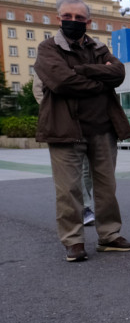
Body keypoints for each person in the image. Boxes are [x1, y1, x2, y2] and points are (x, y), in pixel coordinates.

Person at [34, 0, 130, 262]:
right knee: (69, 189)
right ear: (58, 18)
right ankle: (74, 241)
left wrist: (80, 70)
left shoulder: (99, 47)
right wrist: (98, 77)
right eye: (67, 17)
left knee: (106, 186)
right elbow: (61, 82)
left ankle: (110, 235)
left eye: (79, 18)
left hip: (103, 127)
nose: (73, 21)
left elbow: (119, 73)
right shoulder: (47, 49)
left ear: (88, 21)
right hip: (64, 129)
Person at [33, 74, 95, 225]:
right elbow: (37, 89)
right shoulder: (48, 58)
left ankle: (84, 205)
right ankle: (83, 208)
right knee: (73, 170)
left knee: (87, 169)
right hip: (63, 123)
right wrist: (54, 111)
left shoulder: (82, 55)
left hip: (87, 121)